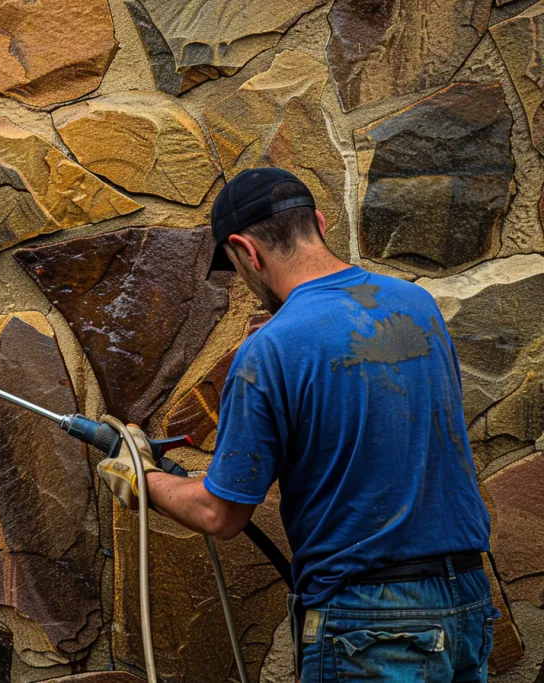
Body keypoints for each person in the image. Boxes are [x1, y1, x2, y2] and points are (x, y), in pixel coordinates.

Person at [97, 168, 497, 682]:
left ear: (247, 251)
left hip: (371, 627)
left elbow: (221, 515)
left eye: (236, 266)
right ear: (320, 224)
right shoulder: (416, 306)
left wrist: (143, 480)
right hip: (466, 602)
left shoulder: (271, 349)